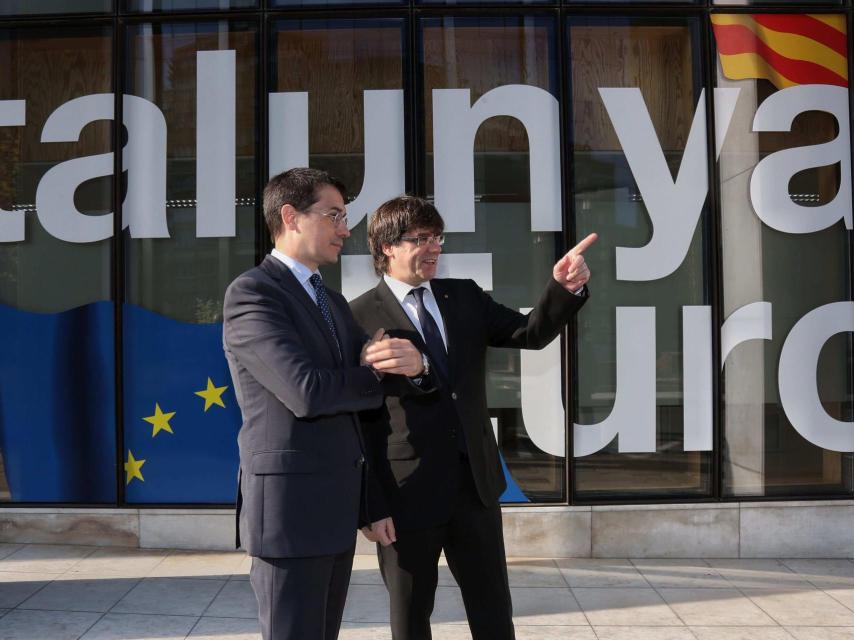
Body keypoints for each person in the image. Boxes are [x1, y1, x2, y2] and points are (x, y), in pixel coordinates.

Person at [350, 195, 596, 640]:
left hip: (474, 489)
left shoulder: (463, 295)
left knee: (493, 610)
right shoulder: (357, 317)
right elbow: (358, 424)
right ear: (387, 246)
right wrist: (371, 506)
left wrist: (563, 288)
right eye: (421, 239)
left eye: (437, 238)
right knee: (410, 616)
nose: (434, 248)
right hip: (406, 494)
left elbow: (529, 332)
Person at [222, 169, 426, 640]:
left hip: (335, 510)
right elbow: (306, 392)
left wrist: (403, 363)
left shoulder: (330, 301)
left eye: (345, 217)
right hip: (291, 514)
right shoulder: (254, 293)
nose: (345, 230)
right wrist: (374, 371)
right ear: (290, 216)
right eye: (334, 215)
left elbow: (356, 404)